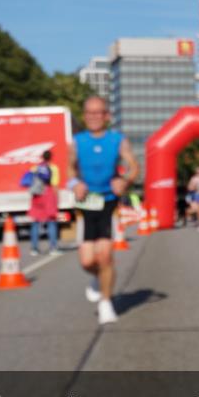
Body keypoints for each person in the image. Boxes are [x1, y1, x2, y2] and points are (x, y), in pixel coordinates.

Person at [67, 96, 139, 325]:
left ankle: (106, 302)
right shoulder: (76, 141)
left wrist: (125, 181)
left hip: (108, 202)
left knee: (105, 255)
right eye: (89, 112)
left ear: (106, 116)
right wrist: (74, 184)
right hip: (86, 202)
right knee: (87, 261)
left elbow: (134, 166)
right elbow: (69, 169)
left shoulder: (118, 140)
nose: (93, 117)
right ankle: (98, 279)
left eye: (98, 113)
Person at [27, 150, 61, 256]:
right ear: (51, 157)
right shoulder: (53, 168)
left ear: (42, 157)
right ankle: (53, 248)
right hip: (48, 194)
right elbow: (54, 184)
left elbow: (30, 181)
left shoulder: (35, 168)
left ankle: (34, 249)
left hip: (37, 195)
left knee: (35, 222)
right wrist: (57, 199)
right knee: (51, 222)